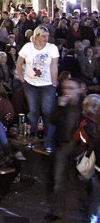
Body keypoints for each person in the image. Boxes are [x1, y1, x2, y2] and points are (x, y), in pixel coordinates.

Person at [45, 78, 86, 221]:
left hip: (82, 147)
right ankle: (57, 211)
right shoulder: (63, 104)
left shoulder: (85, 105)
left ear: (80, 88)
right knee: (59, 179)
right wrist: (60, 107)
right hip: (64, 146)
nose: (67, 91)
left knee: (82, 179)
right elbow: (51, 120)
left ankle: (87, 207)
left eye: (71, 88)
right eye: (65, 88)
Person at [16, 25, 59, 152]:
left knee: (48, 113)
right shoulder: (27, 47)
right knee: (33, 112)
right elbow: (19, 63)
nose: (46, 38)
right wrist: (22, 79)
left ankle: (48, 141)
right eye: (44, 36)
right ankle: (33, 139)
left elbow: (54, 66)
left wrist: (54, 83)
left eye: (47, 36)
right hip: (30, 84)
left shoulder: (52, 48)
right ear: (37, 36)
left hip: (47, 84)